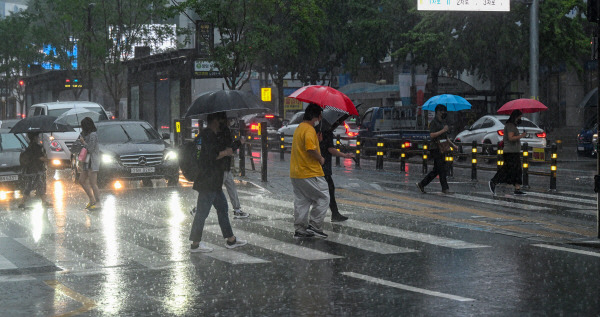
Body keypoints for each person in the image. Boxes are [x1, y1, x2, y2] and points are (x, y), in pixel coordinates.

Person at [189, 111, 247, 253]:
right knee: (202, 212)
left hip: (212, 180)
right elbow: (210, 156)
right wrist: (226, 153)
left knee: (222, 208)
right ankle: (195, 244)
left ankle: (231, 239)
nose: (223, 122)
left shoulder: (204, 135)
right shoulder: (208, 136)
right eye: (221, 120)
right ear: (215, 121)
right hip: (208, 180)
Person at [290, 103, 330, 239]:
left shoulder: (300, 128)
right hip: (309, 171)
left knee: (303, 200)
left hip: (296, 172)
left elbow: (307, 145)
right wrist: (321, 158)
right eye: (320, 116)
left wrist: (316, 140)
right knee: (324, 196)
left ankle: (300, 229)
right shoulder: (309, 130)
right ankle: (315, 225)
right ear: (317, 116)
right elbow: (310, 148)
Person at [317, 118, 354, 222]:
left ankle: (334, 213)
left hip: (317, 164)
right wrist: (344, 155)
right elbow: (330, 149)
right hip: (324, 165)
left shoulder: (318, 129)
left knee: (325, 190)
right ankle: (332, 214)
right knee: (329, 190)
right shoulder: (326, 131)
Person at [416, 104, 456, 194]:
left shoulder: (443, 122)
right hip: (435, 148)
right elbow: (432, 135)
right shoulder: (434, 122)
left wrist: (453, 145)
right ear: (438, 112)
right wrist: (443, 130)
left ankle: (422, 184)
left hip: (442, 148)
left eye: (445, 111)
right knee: (441, 168)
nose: (444, 113)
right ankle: (445, 188)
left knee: (437, 170)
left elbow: (446, 137)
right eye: (442, 111)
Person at [489, 109, 527, 196]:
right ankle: (493, 181)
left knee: (517, 170)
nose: (520, 119)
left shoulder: (513, 126)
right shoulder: (510, 125)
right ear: (516, 117)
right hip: (510, 152)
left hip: (514, 151)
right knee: (507, 169)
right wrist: (521, 136)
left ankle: (517, 188)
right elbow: (511, 138)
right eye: (520, 117)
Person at [218, 122, 249, 219]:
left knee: (232, 189)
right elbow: (229, 149)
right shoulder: (223, 131)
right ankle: (198, 209)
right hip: (221, 168)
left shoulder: (221, 130)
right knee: (211, 191)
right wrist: (239, 142)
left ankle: (237, 210)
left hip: (225, 167)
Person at [19, 132, 50, 208]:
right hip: (34, 170)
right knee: (33, 186)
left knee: (38, 185)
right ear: (35, 138)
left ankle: (43, 201)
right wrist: (48, 159)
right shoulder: (35, 147)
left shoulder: (30, 146)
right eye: (37, 137)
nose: (39, 138)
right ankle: (22, 203)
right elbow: (40, 157)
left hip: (32, 169)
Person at [77, 117, 101, 210]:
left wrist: (84, 142)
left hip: (92, 161)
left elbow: (90, 149)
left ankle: (98, 202)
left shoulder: (93, 135)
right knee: (81, 180)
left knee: (93, 183)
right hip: (86, 161)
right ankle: (92, 199)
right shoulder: (87, 135)